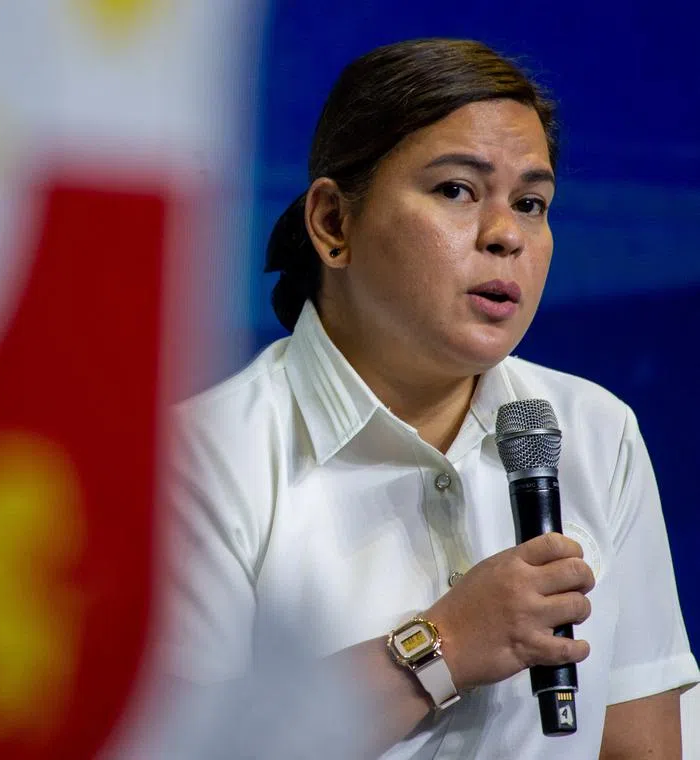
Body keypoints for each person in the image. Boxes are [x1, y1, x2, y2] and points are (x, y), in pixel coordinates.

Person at [159, 38, 699, 758]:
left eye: (532, 203)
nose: (506, 234)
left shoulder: (595, 432)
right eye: (455, 190)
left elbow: (642, 745)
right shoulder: (198, 461)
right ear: (333, 223)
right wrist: (440, 648)